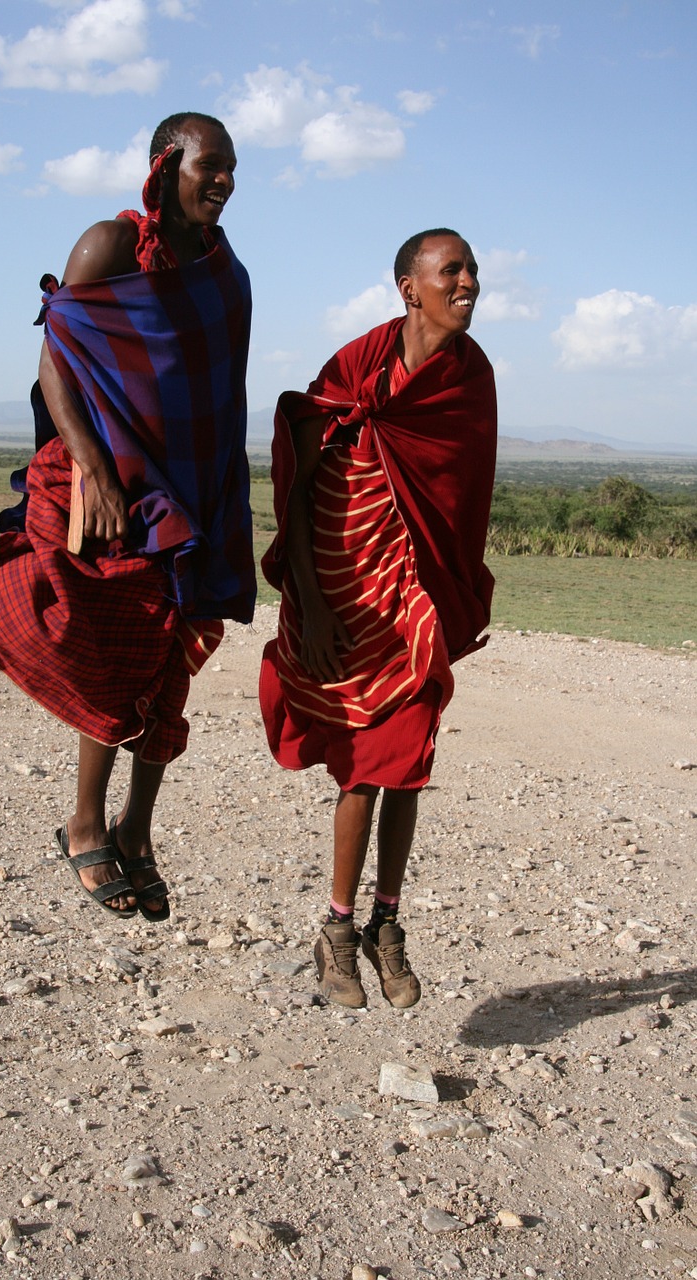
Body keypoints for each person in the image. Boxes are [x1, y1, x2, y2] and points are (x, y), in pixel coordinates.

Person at [0, 112, 255, 922]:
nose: (224, 182)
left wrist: (226, 500)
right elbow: (57, 355)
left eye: (232, 169)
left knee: (174, 664)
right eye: (210, 167)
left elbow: (220, 395)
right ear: (165, 166)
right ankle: (85, 819)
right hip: (116, 483)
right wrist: (91, 464)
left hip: (196, 489)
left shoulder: (225, 273)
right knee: (120, 649)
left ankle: (139, 830)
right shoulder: (107, 249)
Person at [259, 229, 497, 1008]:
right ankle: (336, 931)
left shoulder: (470, 377)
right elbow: (295, 485)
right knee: (363, 765)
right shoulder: (354, 368)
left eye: (470, 270)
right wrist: (312, 601)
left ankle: (386, 929)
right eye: (450, 271)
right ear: (409, 286)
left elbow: (461, 501)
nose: (467, 282)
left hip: (413, 597)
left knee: (408, 760)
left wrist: (455, 594)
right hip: (343, 592)